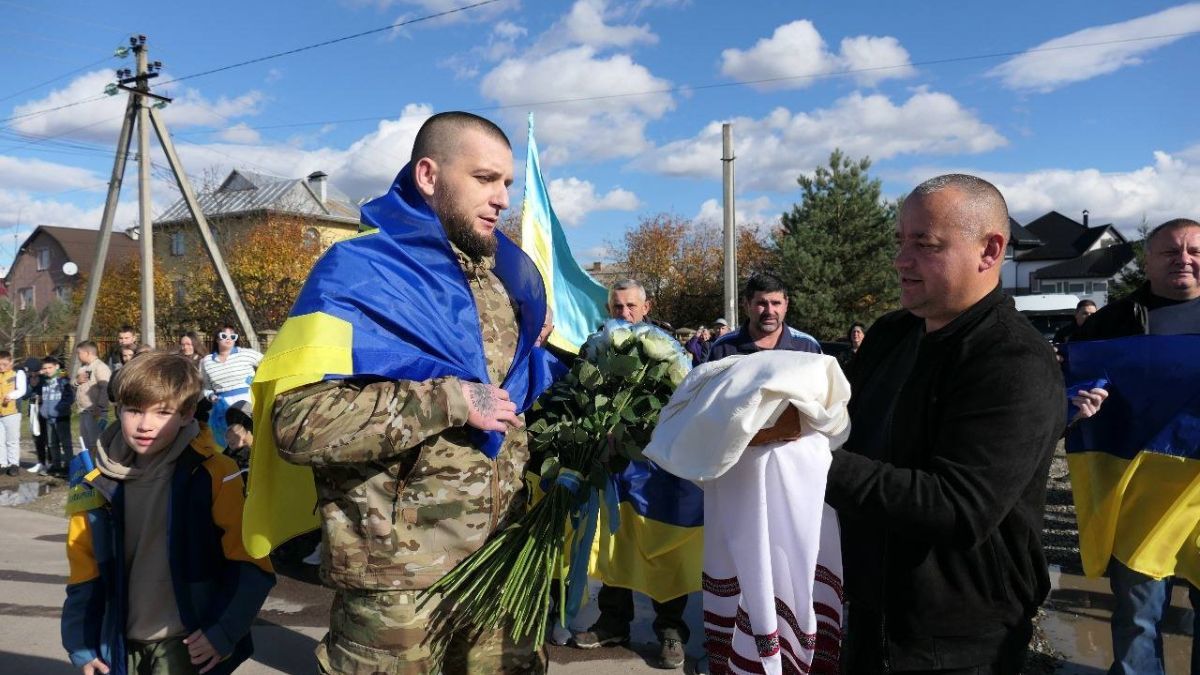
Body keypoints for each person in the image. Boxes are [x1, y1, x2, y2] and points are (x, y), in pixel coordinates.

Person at [264, 111, 559, 673]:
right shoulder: (358, 273)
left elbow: (515, 408)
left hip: (502, 572)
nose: (502, 198)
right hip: (399, 591)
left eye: (506, 183)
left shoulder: (506, 286)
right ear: (428, 175)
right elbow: (299, 424)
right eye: (484, 178)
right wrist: (449, 400)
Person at [824, 174, 1064, 673]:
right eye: (900, 241)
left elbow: (959, 509)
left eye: (925, 244)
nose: (901, 259)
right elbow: (840, 427)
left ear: (989, 251)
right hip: (868, 611)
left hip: (957, 642)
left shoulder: (1014, 360)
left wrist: (807, 461)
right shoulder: (892, 333)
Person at [61, 351, 275, 675]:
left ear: (187, 413)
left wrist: (223, 630)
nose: (145, 425)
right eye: (134, 410)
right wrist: (81, 643)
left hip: (186, 642)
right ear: (119, 409)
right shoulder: (92, 477)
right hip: (116, 642)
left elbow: (251, 562)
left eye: (162, 412)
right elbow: (83, 567)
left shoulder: (216, 473)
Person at [1068, 218, 1200, 675]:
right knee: (1138, 617)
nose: (1184, 259)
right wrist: (1077, 402)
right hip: (1141, 494)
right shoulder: (1112, 324)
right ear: (1147, 261)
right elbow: (1070, 383)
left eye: (1195, 251)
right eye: (1170, 251)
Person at [571, 277, 694, 670]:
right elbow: (581, 395)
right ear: (609, 310)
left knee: (661, 543)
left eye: (631, 306)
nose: (624, 313)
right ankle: (613, 622)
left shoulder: (667, 350)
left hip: (656, 466)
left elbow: (685, 400)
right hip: (612, 464)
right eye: (617, 307)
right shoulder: (595, 347)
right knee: (614, 540)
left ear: (646, 307)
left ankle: (670, 629)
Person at [705, 272, 821, 362]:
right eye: (762, 303)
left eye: (776, 303)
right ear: (746, 305)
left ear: (786, 305)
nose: (769, 311)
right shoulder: (723, 348)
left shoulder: (807, 347)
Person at [37, 356, 74, 478]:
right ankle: (56, 465)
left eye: (50, 367)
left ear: (57, 367)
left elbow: (70, 397)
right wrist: (44, 410)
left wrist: (59, 408)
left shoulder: (63, 380)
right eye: (45, 368)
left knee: (65, 442)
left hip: (61, 416)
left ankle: (69, 466)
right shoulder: (45, 381)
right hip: (49, 417)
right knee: (52, 443)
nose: (47, 370)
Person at [73, 341, 111, 456]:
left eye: (79, 353)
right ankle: (89, 465)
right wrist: (77, 381)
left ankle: (97, 465)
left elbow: (105, 388)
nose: (77, 356)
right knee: (86, 443)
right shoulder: (83, 368)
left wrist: (100, 406)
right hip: (84, 411)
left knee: (95, 443)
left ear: (87, 353)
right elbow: (75, 385)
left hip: (95, 412)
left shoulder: (100, 367)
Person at [0, 351, 27, 476]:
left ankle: (14, 464)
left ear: (11, 362)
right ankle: (2, 463)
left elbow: (21, 390)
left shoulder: (18, 373)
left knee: (12, 440)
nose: (1, 367)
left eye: (4, 364)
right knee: (0, 440)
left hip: (12, 412)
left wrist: (10, 396)